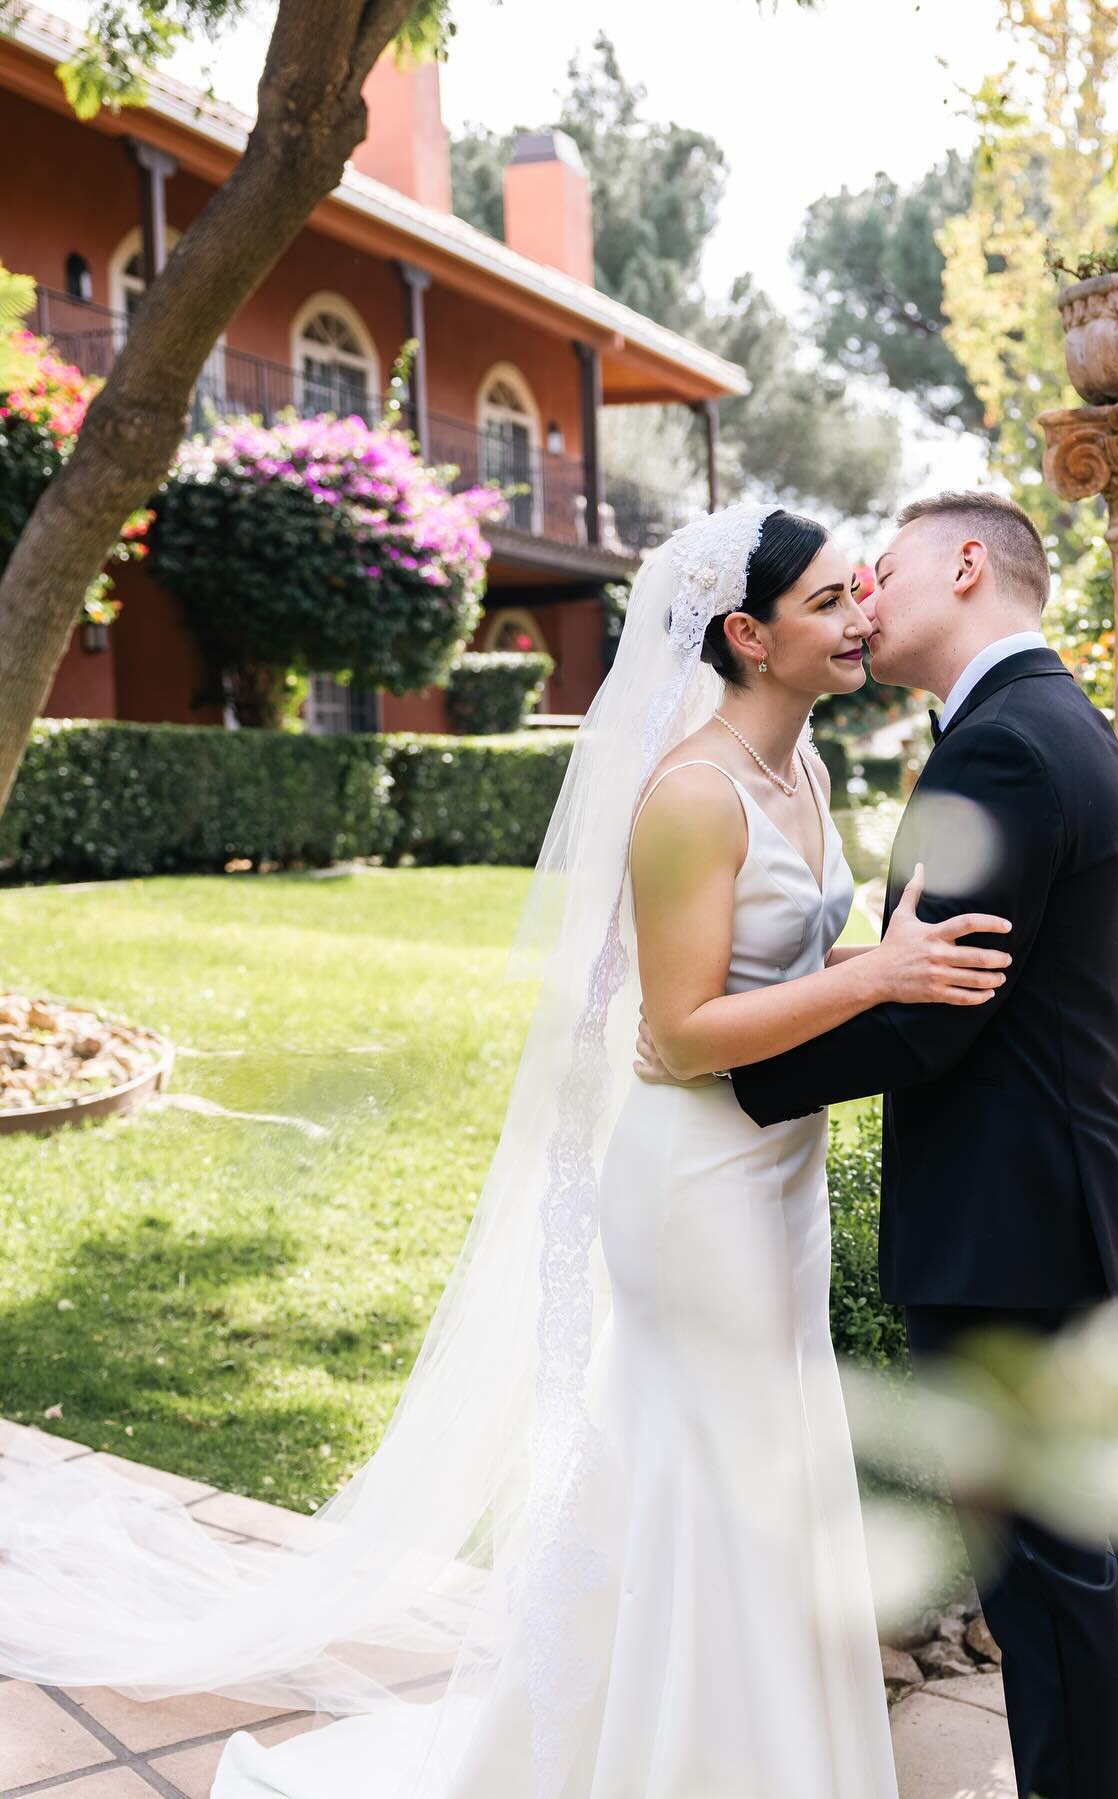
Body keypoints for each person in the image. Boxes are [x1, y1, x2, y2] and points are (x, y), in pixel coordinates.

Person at [0, 503, 1009, 1799]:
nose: (861, 616)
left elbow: (781, 975)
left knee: (768, 1460)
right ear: (749, 638)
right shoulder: (693, 792)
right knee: (706, 1469)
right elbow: (683, 1030)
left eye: (853, 594)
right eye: (826, 603)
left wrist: (867, 958)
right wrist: (880, 978)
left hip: (777, 1176)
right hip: (694, 1191)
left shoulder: (803, 774)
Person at [641, 489, 1118, 1799]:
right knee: (1095, 1560)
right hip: (1064, 1206)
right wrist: (822, 998)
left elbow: (936, 1009)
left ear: (971, 565)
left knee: (1051, 1584)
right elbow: (918, 985)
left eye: (876, 574)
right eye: (836, 591)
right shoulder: (1050, 722)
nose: (866, 601)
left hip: (1013, 1229)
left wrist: (730, 1071)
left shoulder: (999, 744)